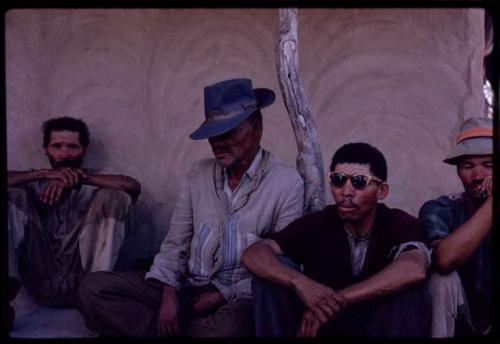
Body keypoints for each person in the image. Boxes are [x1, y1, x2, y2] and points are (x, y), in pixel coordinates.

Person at [77, 78, 304, 337]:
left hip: (238, 297)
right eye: (212, 134)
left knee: (228, 329)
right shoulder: (198, 174)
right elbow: (176, 242)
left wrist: (221, 294)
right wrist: (169, 292)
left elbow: (280, 265)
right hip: (187, 285)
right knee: (92, 289)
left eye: (228, 132)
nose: (217, 142)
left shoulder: (287, 184)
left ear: (256, 127)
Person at [241, 142, 432, 337]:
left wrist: (338, 299)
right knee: (270, 277)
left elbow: (413, 268)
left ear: (381, 191)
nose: (346, 191)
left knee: (410, 292)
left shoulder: (399, 223)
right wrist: (301, 284)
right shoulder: (319, 223)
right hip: (323, 329)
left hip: (378, 326)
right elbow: (253, 254)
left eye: (359, 181)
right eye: (338, 179)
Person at [7, 116, 141, 307]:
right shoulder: (33, 180)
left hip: (83, 277)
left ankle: (97, 295)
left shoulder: (96, 177)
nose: (64, 153)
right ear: (46, 149)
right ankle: (8, 299)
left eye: (72, 146)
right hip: (38, 273)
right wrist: (45, 174)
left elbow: (132, 185)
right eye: (57, 146)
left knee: (114, 197)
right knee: (12, 195)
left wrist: (80, 178)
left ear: (84, 149)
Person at [419, 117, 493, 337]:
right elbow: (444, 260)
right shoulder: (440, 209)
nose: (478, 176)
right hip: (459, 320)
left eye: (489, 165)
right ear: (458, 171)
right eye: (468, 166)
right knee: (442, 279)